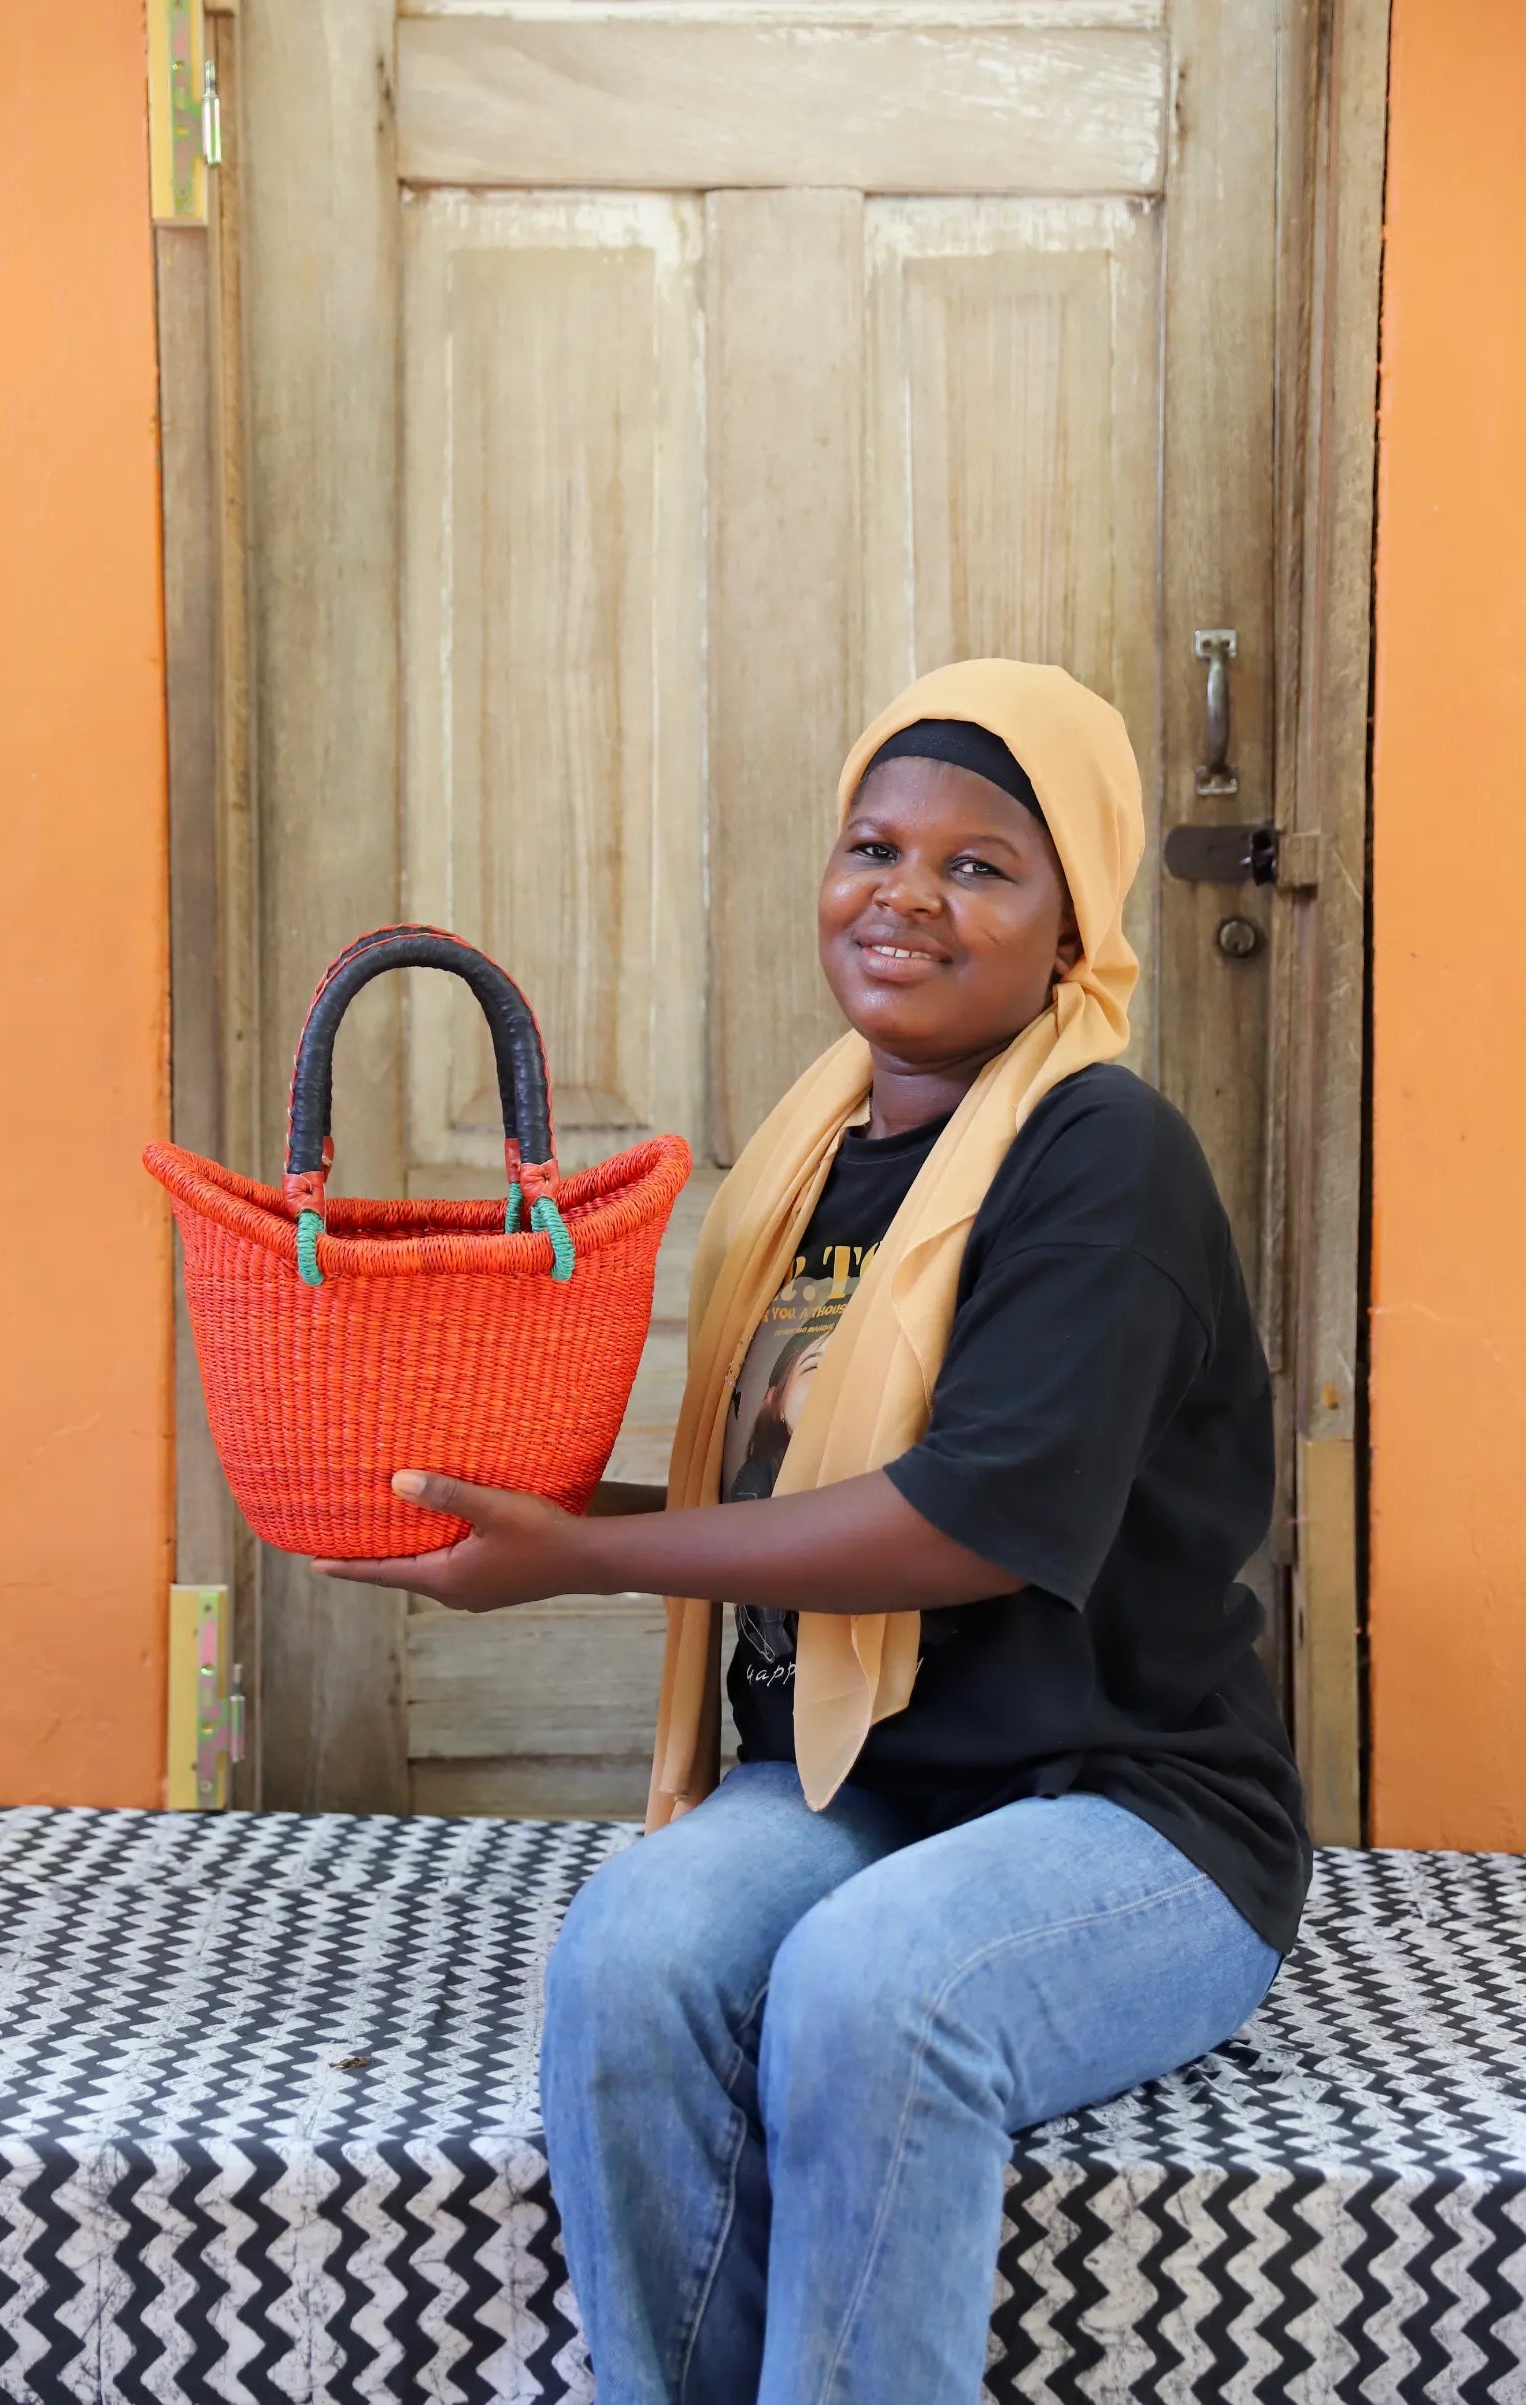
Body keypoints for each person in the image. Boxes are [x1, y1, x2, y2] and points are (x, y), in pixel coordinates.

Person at [320, 659, 1311, 2405]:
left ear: (1071, 917)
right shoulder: (817, 1159)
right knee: (629, 1953)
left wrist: (583, 1557)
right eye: (874, 844)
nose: (906, 896)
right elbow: (773, 1503)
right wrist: (513, 1523)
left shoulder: (1100, 1157)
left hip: (1127, 1808)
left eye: (981, 865)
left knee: (874, 1988)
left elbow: (967, 1524)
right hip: (861, 1782)